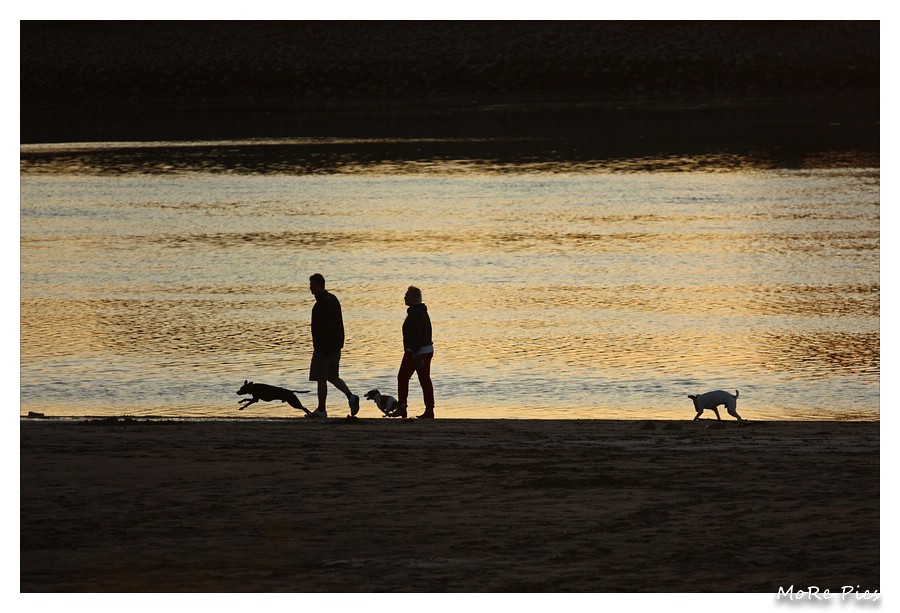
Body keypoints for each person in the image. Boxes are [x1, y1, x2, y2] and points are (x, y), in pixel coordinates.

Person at [307, 273, 360, 419]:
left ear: (319, 285)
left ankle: (321, 410)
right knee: (332, 376)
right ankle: (351, 396)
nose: (310, 288)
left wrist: (324, 349)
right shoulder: (333, 299)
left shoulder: (320, 305)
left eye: (312, 285)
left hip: (325, 348)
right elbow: (337, 325)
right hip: (335, 347)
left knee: (321, 378)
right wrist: (338, 346)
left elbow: (324, 329)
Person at [397, 285, 435, 419]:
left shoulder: (415, 313)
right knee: (424, 380)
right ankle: (429, 409)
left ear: (415, 297)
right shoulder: (420, 312)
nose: (405, 297)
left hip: (417, 351)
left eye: (407, 295)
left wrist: (415, 352)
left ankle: (402, 407)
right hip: (424, 350)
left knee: (403, 377)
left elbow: (416, 335)